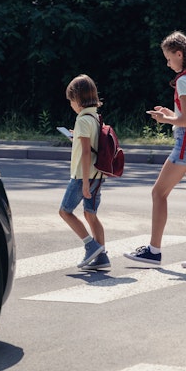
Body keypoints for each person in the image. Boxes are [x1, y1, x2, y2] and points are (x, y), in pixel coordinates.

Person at [124, 31, 186, 269]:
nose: (168, 64)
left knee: (158, 193)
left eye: (168, 58)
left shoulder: (185, 80)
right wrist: (170, 113)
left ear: (179, 54)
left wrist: (164, 119)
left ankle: (153, 251)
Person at [59, 74, 109, 271]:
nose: (71, 104)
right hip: (98, 174)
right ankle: (102, 258)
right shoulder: (95, 117)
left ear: (78, 99)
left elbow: (87, 152)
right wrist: (76, 138)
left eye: (71, 100)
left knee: (65, 211)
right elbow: (91, 144)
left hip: (83, 176)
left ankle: (91, 246)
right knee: (91, 214)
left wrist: (85, 182)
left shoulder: (82, 120)